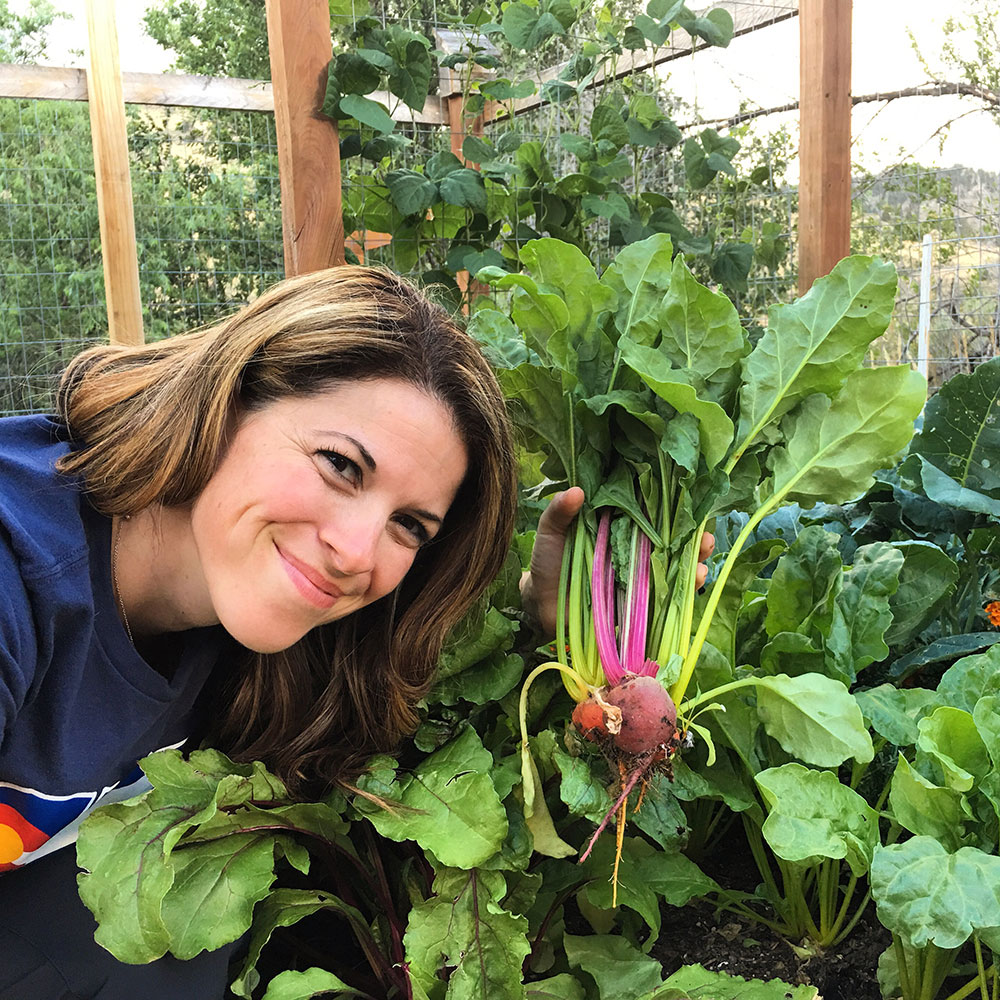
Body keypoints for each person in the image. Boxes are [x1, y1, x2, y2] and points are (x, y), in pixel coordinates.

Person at [0, 265, 711, 999]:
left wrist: (542, 632)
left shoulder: (267, 625)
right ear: (227, 398)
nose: (356, 553)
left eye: (409, 525)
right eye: (341, 466)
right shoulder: (15, 570)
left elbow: (385, 730)